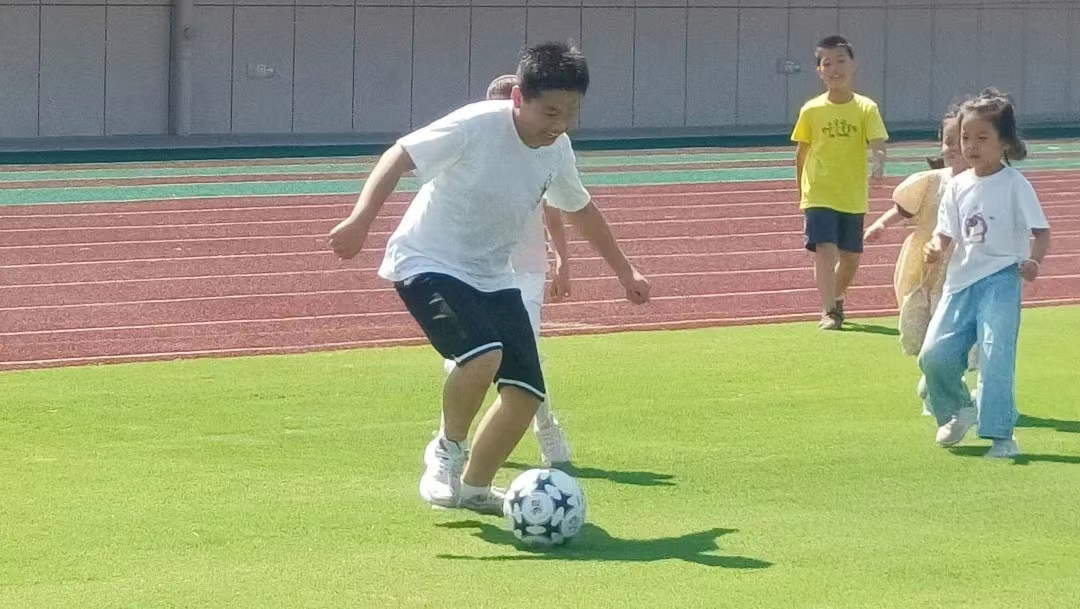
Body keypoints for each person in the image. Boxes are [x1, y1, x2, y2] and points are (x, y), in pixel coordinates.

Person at [328, 42, 650, 513]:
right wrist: (360, 220)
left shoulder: (557, 149)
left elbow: (580, 208)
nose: (560, 124)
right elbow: (400, 155)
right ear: (519, 98)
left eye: (572, 112)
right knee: (482, 356)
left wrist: (625, 270)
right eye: (550, 111)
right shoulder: (476, 125)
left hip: (493, 275)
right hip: (429, 260)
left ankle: (476, 489)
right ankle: (446, 450)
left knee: (525, 394)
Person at [438, 73, 574, 467]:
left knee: (524, 357)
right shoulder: (474, 147)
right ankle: (451, 441)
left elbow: (556, 207)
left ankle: (547, 428)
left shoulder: (541, 151)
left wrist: (563, 260)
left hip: (525, 273)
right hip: (475, 271)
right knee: (469, 358)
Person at [919, 88, 1051, 459]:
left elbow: (1041, 232)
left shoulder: (1014, 184)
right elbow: (946, 233)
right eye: (965, 137)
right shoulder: (957, 185)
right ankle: (959, 408)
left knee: (995, 356)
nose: (971, 146)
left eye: (982, 137)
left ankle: (1002, 436)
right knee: (933, 355)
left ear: (1004, 142)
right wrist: (935, 247)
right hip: (960, 283)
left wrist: (1034, 261)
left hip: (1001, 280)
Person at [864, 104, 978, 416]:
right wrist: (880, 225)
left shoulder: (982, 184)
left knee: (956, 331)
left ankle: (946, 385)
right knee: (926, 326)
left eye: (960, 141)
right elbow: (903, 210)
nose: (952, 148)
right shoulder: (931, 181)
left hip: (962, 268)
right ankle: (935, 380)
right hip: (926, 268)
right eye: (947, 141)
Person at [792, 35, 889, 330]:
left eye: (840, 61)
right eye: (827, 63)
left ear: (852, 65)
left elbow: (878, 141)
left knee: (850, 257)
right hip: (819, 192)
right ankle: (829, 311)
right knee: (825, 249)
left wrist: (879, 162)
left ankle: (835, 297)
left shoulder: (866, 108)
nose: (835, 69)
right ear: (819, 71)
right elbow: (801, 153)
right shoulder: (811, 110)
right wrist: (802, 192)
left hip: (852, 194)